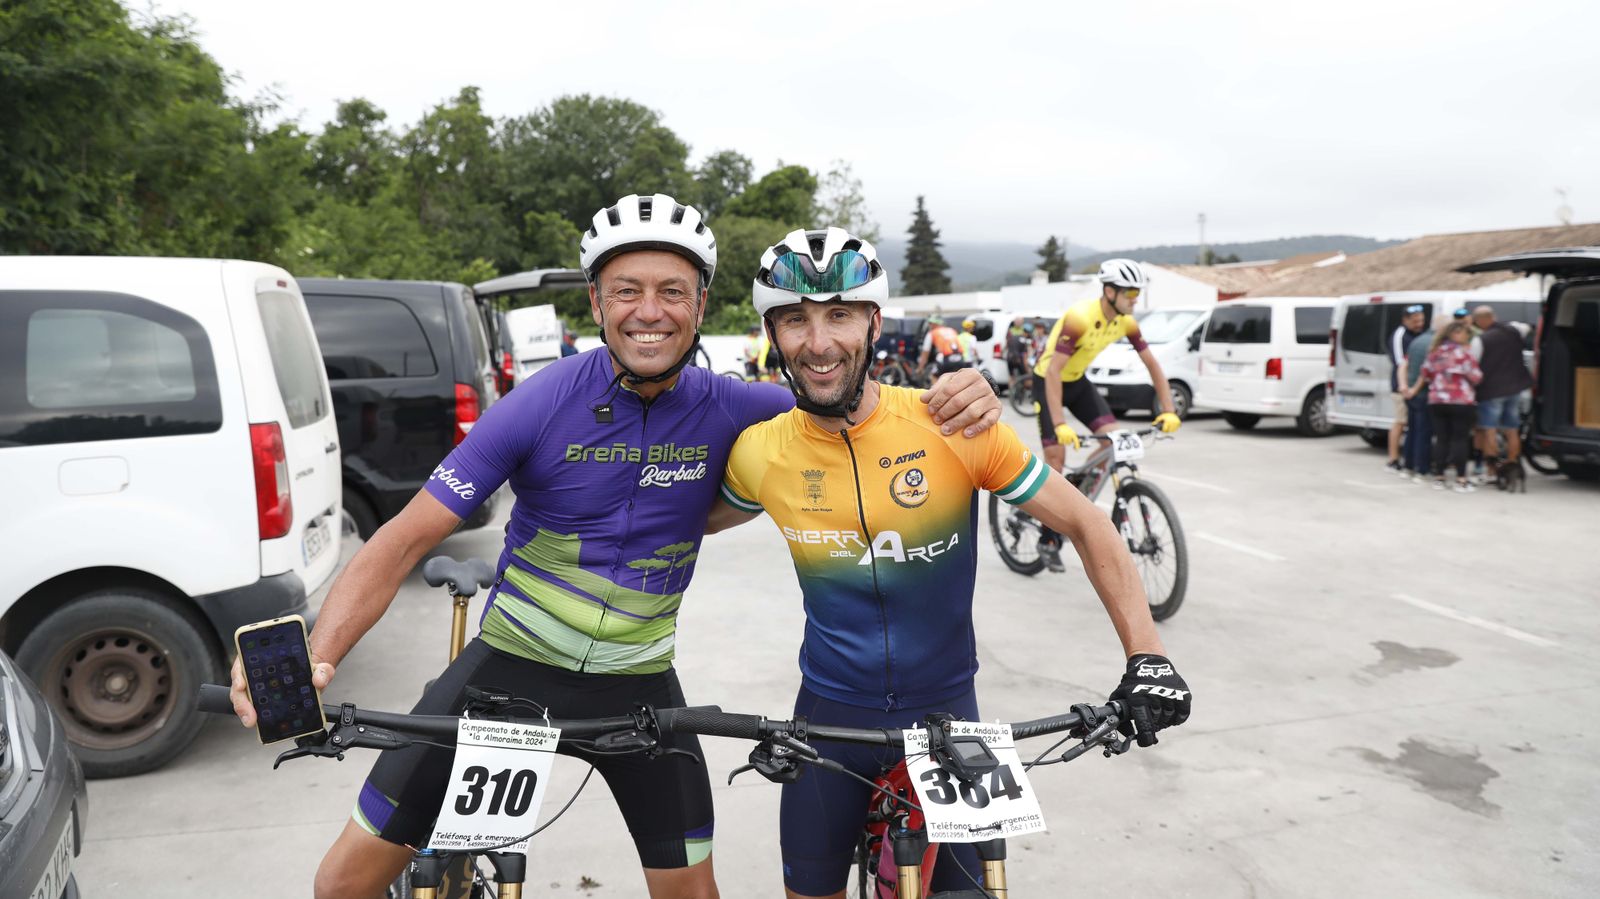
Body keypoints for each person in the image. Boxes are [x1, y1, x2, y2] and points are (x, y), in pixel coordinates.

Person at [227, 194, 1003, 899]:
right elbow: (402, 539)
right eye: (626, 290)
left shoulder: (745, 408)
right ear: (596, 302)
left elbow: (853, 403)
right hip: (507, 669)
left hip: (637, 686)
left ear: (701, 306)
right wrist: (318, 654)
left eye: (672, 292)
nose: (649, 313)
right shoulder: (540, 402)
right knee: (341, 883)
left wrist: (968, 396)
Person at [709, 227, 1191, 899]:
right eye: (796, 319)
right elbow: (672, 527)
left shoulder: (954, 424)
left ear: (874, 321)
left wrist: (1149, 656)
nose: (818, 343)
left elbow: (1085, 522)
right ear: (773, 333)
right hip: (827, 720)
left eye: (839, 314)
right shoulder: (759, 452)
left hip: (948, 717)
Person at [1032, 259, 1181, 570]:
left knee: (1113, 440)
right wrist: (1059, 424)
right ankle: (1047, 538)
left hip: (1078, 382)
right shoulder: (1080, 318)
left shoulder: (1126, 321)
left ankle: (1076, 484)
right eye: (1130, 293)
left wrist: (1169, 410)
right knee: (1056, 458)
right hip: (1049, 381)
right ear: (1110, 291)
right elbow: (1055, 371)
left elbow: (1153, 364)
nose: (1135, 299)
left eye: (1137, 293)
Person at [1406, 320, 1482, 492]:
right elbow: (1476, 377)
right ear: (1455, 334)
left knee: (1442, 439)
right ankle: (1461, 479)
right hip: (1461, 401)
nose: (1467, 337)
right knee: (1459, 439)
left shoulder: (1434, 352)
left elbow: (1425, 373)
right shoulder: (1464, 353)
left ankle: (1439, 477)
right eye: (1464, 333)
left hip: (1437, 400)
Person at [1468, 305, 1534, 478]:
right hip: (1514, 389)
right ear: (1493, 316)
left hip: (1490, 391)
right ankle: (1512, 463)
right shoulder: (1515, 330)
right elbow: (1526, 327)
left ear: (1479, 321)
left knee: (1489, 429)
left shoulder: (1480, 340)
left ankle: (1492, 470)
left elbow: (1473, 366)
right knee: (1512, 429)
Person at [1385, 305, 1427, 474]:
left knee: (1409, 423)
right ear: (1405, 320)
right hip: (1401, 387)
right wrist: (1405, 386)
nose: (1419, 324)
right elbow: (1400, 362)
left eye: (1421, 320)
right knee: (1400, 421)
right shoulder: (1399, 335)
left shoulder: (1417, 335)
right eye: (1415, 321)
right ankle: (1393, 459)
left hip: (1413, 387)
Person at [1400, 317, 1435, 481]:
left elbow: (1403, 365)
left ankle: (1408, 466)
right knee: (1423, 434)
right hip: (1422, 395)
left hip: (1411, 395)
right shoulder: (1436, 344)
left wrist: (1404, 387)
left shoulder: (1416, 341)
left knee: (1412, 432)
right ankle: (1422, 469)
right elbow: (1426, 371)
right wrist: (1414, 389)